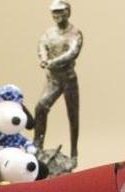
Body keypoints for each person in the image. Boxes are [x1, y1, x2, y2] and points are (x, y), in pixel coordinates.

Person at [33, 0, 83, 170]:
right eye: (54, 13)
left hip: (69, 80)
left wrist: (52, 62)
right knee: (40, 108)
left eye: (60, 12)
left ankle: (74, 153)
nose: (57, 16)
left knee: (73, 117)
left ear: (68, 12)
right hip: (53, 81)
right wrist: (43, 58)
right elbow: (42, 45)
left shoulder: (75, 33)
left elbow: (72, 53)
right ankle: (37, 146)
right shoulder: (49, 33)